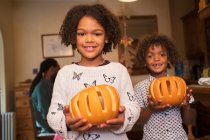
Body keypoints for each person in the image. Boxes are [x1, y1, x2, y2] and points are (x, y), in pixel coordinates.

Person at [47, 4, 140, 140]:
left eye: (97, 33)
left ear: (107, 36)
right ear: (74, 37)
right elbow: (53, 115)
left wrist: (123, 117)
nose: (89, 39)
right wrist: (67, 123)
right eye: (82, 34)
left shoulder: (119, 70)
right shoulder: (64, 74)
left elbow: (133, 106)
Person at [134, 33, 194, 140]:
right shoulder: (140, 88)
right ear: (144, 61)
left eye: (162, 54)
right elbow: (138, 122)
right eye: (150, 56)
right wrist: (150, 108)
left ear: (169, 58)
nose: (156, 59)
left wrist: (187, 106)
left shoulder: (179, 85)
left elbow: (188, 121)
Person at [30, 58, 60, 134]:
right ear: (52, 69)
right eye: (58, 69)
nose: (59, 72)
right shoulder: (41, 88)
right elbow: (46, 113)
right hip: (47, 127)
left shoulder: (50, 86)